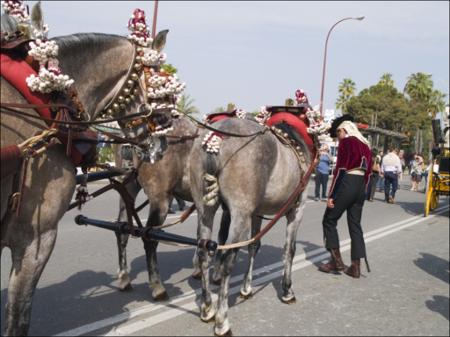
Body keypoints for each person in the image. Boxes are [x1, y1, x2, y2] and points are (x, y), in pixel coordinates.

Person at [318, 115, 372, 278]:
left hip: (347, 181)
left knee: (329, 220)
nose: (338, 137)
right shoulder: (366, 145)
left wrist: (332, 195)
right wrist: (363, 192)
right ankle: (356, 266)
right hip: (361, 185)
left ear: (344, 130)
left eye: (338, 133)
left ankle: (336, 262)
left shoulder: (347, 142)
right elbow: (368, 174)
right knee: (355, 225)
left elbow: (340, 170)